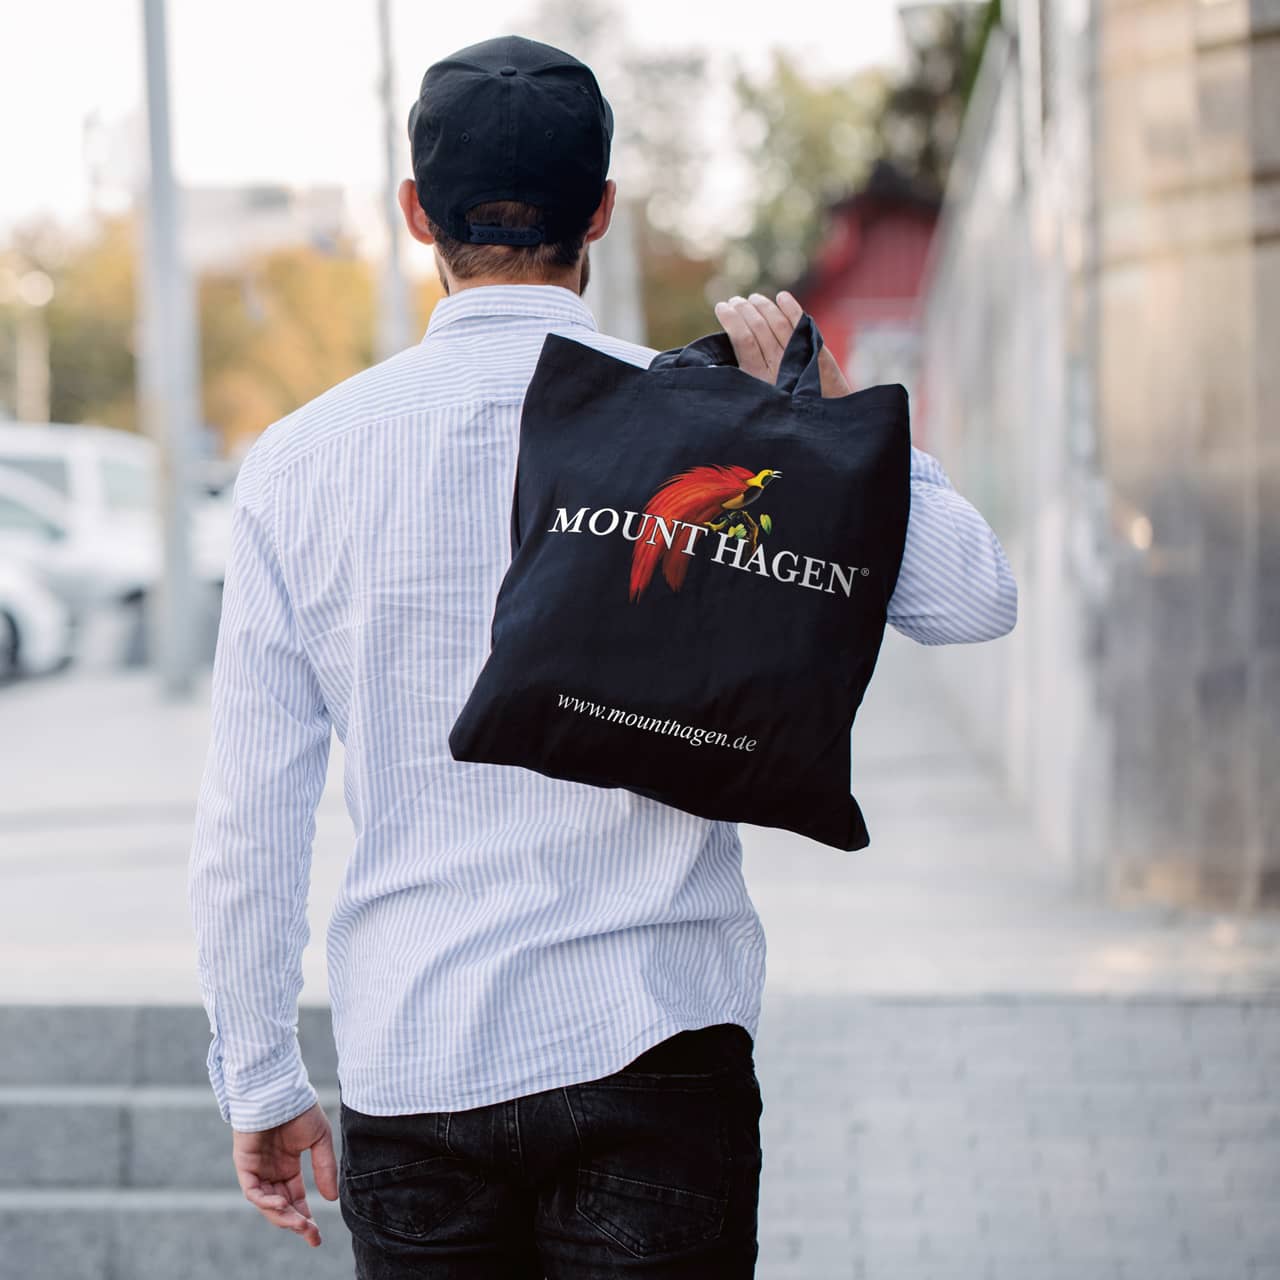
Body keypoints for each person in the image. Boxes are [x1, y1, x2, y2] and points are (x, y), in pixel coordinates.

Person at [187, 33, 1017, 1279]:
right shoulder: (713, 423)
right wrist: (825, 419)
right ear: (604, 214)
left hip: (420, 1063)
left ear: (416, 213)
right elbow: (973, 597)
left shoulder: (302, 463)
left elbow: (251, 817)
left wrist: (258, 1074)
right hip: (655, 1048)